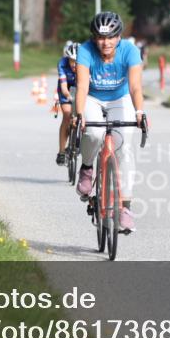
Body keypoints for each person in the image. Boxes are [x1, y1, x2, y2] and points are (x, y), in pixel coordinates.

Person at [74, 12, 146, 233]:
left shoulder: (130, 51)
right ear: (94, 38)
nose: (105, 43)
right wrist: (80, 113)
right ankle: (87, 168)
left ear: (118, 36)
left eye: (110, 37)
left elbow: (135, 87)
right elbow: (83, 86)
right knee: (93, 133)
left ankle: (124, 207)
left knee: (124, 147)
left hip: (120, 98)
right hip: (93, 98)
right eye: (100, 38)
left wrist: (139, 111)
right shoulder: (86, 51)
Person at [55, 42, 78, 165]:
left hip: (80, 88)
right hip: (66, 89)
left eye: (77, 61)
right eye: (72, 60)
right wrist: (70, 97)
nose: (74, 64)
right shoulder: (62, 64)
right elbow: (64, 87)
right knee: (68, 114)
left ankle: (77, 141)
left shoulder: (86, 65)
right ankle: (62, 151)